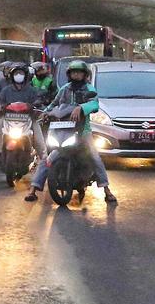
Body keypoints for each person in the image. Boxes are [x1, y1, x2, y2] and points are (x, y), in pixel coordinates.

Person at [25, 59, 118, 204]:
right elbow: (54, 104)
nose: (76, 75)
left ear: (84, 75)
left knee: (94, 156)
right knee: (47, 157)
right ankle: (33, 189)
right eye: (73, 72)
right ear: (69, 74)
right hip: (62, 129)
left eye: (79, 72)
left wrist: (81, 107)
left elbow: (94, 103)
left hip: (82, 131)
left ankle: (107, 190)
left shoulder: (89, 89)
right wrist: (45, 113)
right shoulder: (64, 89)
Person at [0, 61, 47, 160]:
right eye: (16, 74)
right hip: (8, 118)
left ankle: (44, 157)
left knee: (38, 135)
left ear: (25, 76)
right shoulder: (6, 90)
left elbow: (38, 100)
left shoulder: (31, 90)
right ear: (12, 76)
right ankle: (1, 151)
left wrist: (35, 104)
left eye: (21, 73)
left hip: (28, 118)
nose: (18, 76)